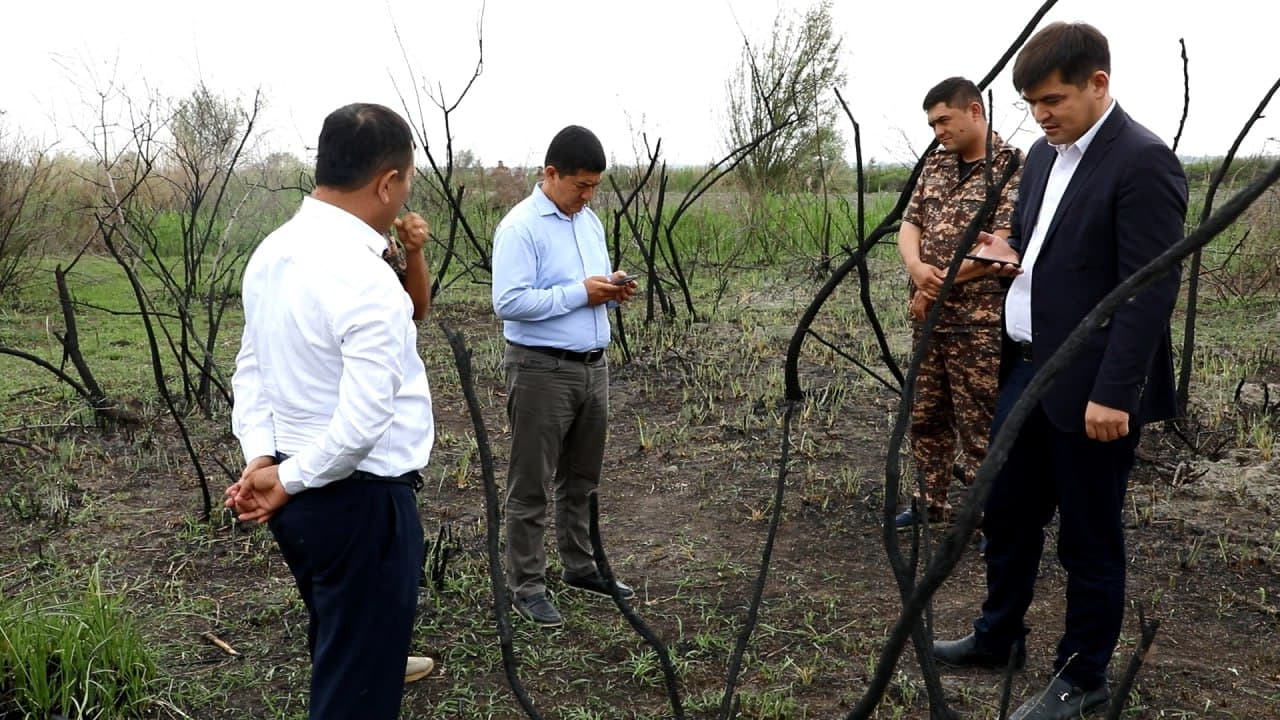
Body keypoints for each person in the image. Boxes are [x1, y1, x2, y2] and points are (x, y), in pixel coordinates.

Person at [931, 22, 1187, 720]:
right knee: (1007, 512)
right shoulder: (1046, 158)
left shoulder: (1143, 163)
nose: (1041, 115)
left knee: (1088, 535)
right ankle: (997, 638)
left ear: (1098, 83)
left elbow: (1148, 290)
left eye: (1053, 99)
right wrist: (1015, 254)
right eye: (1031, 103)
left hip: (1093, 386)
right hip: (1028, 369)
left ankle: (1083, 677)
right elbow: (1056, 246)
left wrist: (1115, 394)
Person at [226, 102, 436, 719]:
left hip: (301, 493)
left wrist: (263, 457)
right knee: (356, 698)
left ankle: (368, 656)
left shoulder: (272, 252)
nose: (402, 199)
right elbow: (364, 422)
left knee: (340, 645)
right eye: (405, 185)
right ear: (388, 183)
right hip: (360, 503)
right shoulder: (365, 278)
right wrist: (281, 481)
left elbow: (251, 368)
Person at [491, 125, 638, 628]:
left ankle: (580, 566)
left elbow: (585, 283)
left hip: (591, 368)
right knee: (530, 483)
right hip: (540, 370)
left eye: (595, 186)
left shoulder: (588, 222)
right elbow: (508, 302)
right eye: (580, 186)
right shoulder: (520, 227)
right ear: (550, 174)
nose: (588, 196)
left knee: (583, 479)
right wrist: (582, 293)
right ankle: (526, 585)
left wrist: (611, 285)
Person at [895, 77, 1023, 531]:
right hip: (931, 318)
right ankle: (928, 501)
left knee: (981, 421)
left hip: (980, 321)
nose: (938, 131)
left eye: (944, 120)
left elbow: (1003, 246)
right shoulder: (936, 164)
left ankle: (991, 516)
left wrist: (936, 283)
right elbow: (910, 225)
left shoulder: (1011, 166)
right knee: (927, 413)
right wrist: (915, 268)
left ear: (974, 110)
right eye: (931, 124)